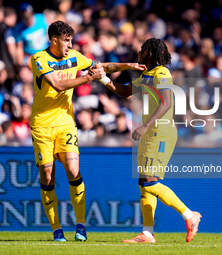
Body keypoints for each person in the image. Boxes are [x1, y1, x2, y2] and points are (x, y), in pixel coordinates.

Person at [30, 20, 145, 242]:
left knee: (73, 171)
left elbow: (102, 68)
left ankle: (80, 226)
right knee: (47, 175)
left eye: (71, 40)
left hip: (65, 123)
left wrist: (128, 65)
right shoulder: (39, 59)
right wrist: (88, 77)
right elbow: (57, 85)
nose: (70, 44)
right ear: (54, 40)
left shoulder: (74, 56)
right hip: (42, 125)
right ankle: (56, 230)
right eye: (66, 40)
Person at [101, 38, 202, 243]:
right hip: (150, 134)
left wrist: (146, 126)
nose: (139, 52)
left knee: (150, 182)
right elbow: (124, 91)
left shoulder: (162, 73)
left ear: (149, 53)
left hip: (160, 132)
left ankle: (190, 215)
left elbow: (166, 101)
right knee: (143, 182)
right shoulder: (147, 75)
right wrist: (102, 78)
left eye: (142, 49)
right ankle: (147, 233)